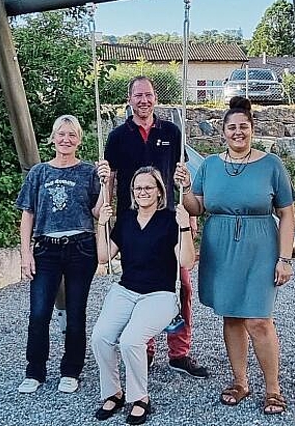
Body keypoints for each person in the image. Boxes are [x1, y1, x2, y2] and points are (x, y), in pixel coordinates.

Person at [176, 96, 295, 415]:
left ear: (252, 129)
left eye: (244, 126)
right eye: (232, 127)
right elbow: (197, 208)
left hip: (260, 248)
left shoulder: (271, 164)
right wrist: (186, 188)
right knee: (231, 315)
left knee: (258, 319)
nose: (238, 132)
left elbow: (287, 213)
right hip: (221, 247)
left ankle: (273, 387)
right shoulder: (211, 166)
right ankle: (240, 381)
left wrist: (284, 258)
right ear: (223, 132)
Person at [104, 75, 208, 378]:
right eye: (137, 96)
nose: (143, 101)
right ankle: (144, 348)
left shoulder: (172, 132)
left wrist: (189, 217)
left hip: (167, 220)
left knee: (183, 286)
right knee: (140, 287)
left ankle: (179, 352)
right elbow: (110, 179)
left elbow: (180, 176)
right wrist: (105, 212)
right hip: (133, 223)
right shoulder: (118, 137)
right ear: (129, 100)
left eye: (148, 95)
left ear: (155, 98)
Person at [91, 166, 196, 425]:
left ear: (160, 192)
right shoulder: (126, 219)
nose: (143, 192)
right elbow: (104, 256)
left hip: (160, 294)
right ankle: (113, 392)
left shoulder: (171, 219)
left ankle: (139, 398)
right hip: (126, 290)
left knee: (130, 341)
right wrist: (101, 224)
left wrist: (184, 228)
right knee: (100, 337)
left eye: (149, 187)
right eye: (138, 188)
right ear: (133, 192)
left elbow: (187, 261)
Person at [15, 115, 109, 395]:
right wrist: (25, 253)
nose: (66, 140)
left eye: (72, 135)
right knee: (39, 312)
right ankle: (35, 370)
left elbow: (97, 210)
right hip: (46, 249)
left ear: (79, 140)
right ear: (53, 138)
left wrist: (108, 183)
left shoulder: (88, 172)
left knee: (76, 312)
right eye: (61, 134)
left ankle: (71, 370)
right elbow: (27, 214)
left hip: (81, 246)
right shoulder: (39, 173)